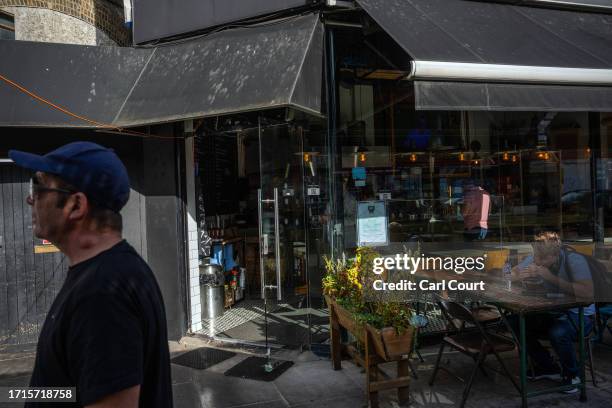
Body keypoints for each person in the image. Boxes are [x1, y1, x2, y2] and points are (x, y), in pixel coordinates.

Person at [9, 142, 173, 407]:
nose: (31, 198)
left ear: (75, 205)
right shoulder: (106, 274)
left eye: (39, 186)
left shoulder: (102, 295)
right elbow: (68, 389)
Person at [509, 231, 595, 393]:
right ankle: (548, 366)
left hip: (580, 315)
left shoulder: (575, 261)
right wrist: (517, 275)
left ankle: (572, 375)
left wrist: (550, 277)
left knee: (558, 332)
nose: (536, 261)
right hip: (552, 312)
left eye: (541, 259)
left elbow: (587, 293)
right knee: (514, 322)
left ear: (555, 255)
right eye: (535, 256)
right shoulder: (537, 257)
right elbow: (511, 273)